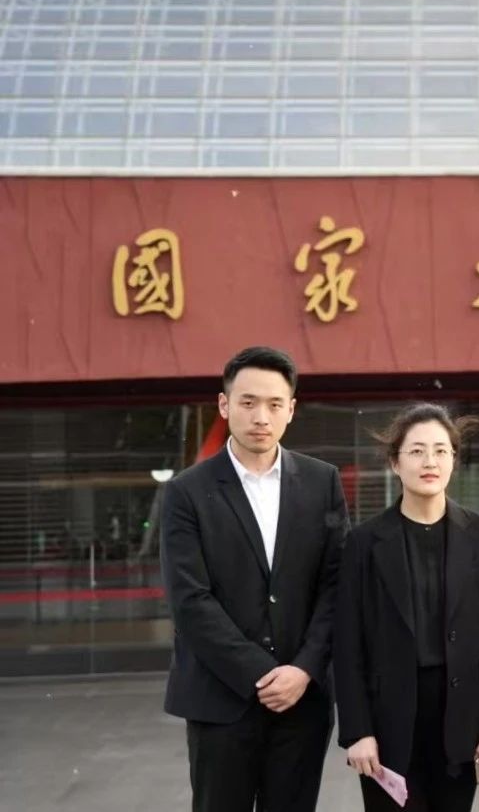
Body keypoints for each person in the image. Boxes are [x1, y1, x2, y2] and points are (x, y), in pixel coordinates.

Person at [160, 346, 349, 812]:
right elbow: (190, 599)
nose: (261, 417)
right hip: (219, 699)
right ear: (224, 405)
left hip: (302, 701)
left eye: (274, 404)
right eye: (247, 402)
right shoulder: (187, 491)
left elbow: (336, 585)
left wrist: (303, 669)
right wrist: (262, 674)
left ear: (291, 410)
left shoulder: (322, 482)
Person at [334, 403, 479, 812]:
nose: (429, 462)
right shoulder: (365, 541)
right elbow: (347, 643)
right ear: (395, 463)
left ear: (454, 459)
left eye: (440, 450)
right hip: (388, 721)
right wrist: (357, 731)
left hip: (462, 718)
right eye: (416, 451)